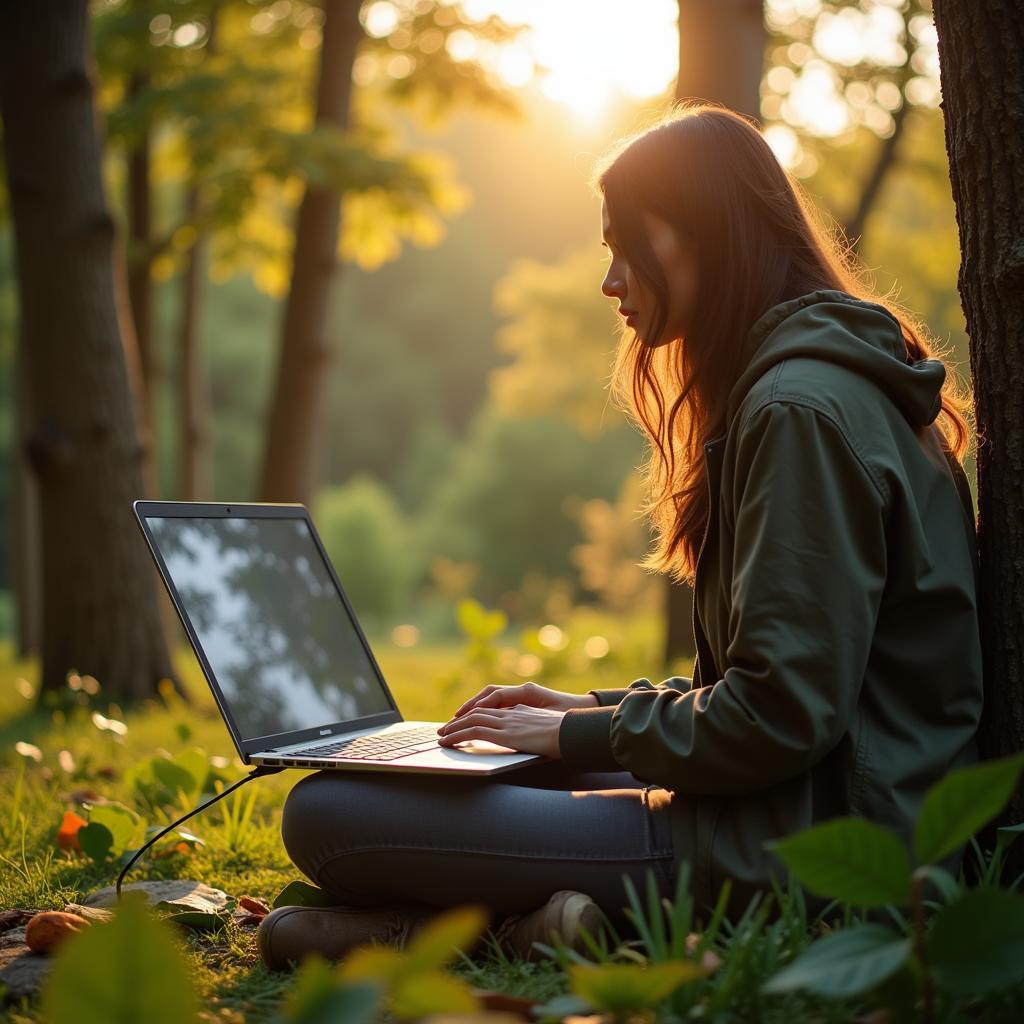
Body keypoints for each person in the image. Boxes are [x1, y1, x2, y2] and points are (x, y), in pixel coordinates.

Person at [257, 103, 983, 971]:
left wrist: (576, 743)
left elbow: (781, 716)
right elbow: (789, 687)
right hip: (787, 806)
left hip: (814, 851)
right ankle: (542, 927)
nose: (610, 281)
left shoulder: (799, 412)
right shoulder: (816, 387)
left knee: (331, 816)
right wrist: (581, 713)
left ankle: (463, 938)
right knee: (406, 784)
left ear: (706, 239)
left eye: (627, 243)